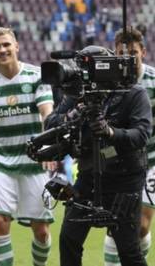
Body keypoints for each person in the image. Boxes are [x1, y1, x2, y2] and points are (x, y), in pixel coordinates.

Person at [45, 44, 151, 266]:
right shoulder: (77, 93)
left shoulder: (133, 92)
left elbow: (140, 135)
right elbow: (51, 122)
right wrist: (75, 113)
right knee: (68, 239)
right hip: (89, 176)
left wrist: (110, 132)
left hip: (124, 179)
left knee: (128, 250)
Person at [0, 27, 55, 266]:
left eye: (6, 45)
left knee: (42, 231)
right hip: (1, 162)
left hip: (34, 162)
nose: (2, 50)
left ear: (16, 46)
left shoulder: (37, 76)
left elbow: (47, 113)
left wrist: (49, 146)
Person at [100, 29, 154, 265]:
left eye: (133, 53)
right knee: (116, 225)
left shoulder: (153, 81)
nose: (129, 58)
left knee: (141, 225)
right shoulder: (108, 83)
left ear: (143, 51)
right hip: (117, 162)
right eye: (123, 53)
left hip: (151, 160)